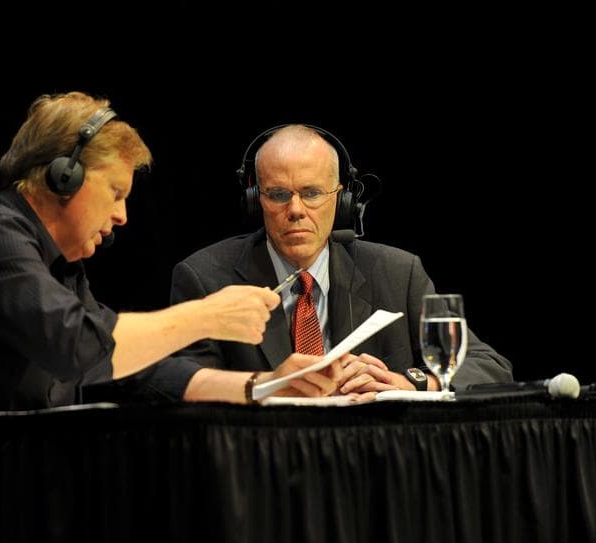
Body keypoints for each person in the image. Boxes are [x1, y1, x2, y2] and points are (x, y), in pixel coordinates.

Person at [0, 94, 342, 543]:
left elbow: (131, 371)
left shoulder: (60, 267)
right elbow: (78, 348)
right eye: (116, 192)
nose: (123, 215)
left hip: (1, 508)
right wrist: (206, 316)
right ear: (65, 177)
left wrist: (265, 387)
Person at [168, 124, 513, 393]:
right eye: (278, 195)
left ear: (344, 200)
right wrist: (268, 385)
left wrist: (415, 382)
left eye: (312, 193)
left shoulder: (398, 273)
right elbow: (182, 385)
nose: (296, 210)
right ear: (254, 200)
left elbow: (488, 364)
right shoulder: (205, 278)